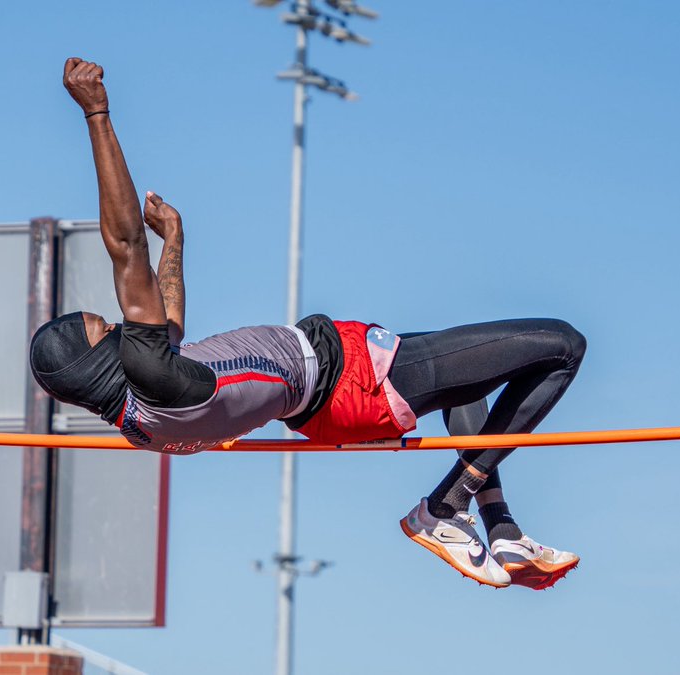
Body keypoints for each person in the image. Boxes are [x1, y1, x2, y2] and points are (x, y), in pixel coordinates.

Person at [31, 58, 587, 589]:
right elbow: (125, 245)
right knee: (562, 345)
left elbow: (169, 322)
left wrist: (174, 240)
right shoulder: (150, 377)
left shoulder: (143, 416)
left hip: (339, 384)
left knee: (470, 383)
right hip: (353, 379)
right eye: (107, 328)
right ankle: (447, 505)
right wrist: (97, 113)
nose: (121, 327)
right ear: (94, 360)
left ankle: (502, 528)